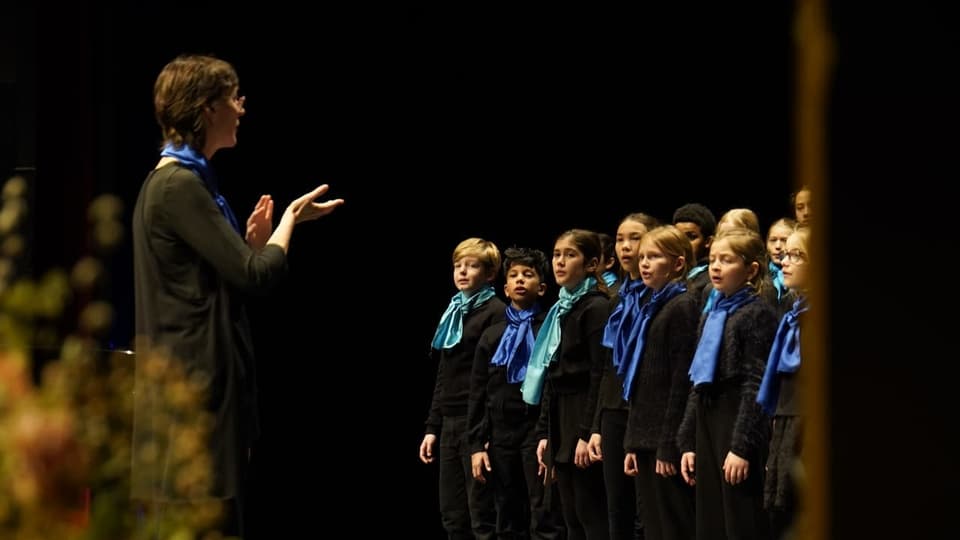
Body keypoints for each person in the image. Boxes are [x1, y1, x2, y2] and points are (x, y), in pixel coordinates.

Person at [131, 54, 344, 537]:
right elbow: (257, 277)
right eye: (233, 97)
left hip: (198, 381)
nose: (241, 108)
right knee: (205, 521)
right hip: (197, 386)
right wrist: (289, 222)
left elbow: (215, 281)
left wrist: (249, 247)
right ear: (207, 109)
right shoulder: (178, 186)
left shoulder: (181, 184)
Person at [678, 227, 777, 540]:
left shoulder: (757, 313)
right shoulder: (712, 315)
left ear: (751, 270)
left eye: (727, 260)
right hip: (709, 421)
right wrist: (688, 440)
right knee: (711, 520)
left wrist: (741, 446)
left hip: (736, 423)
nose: (716, 266)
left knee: (741, 519)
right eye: (713, 260)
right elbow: (700, 381)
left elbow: (756, 385)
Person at [467, 246, 564, 539]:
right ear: (506, 288)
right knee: (507, 512)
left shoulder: (551, 327)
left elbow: (554, 383)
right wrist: (475, 444)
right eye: (514, 275)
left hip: (536, 429)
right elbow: (478, 392)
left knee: (543, 511)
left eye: (528, 275)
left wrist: (548, 432)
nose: (521, 280)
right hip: (501, 433)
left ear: (543, 287)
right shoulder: (492, 334)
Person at [523, 229, 611, 540]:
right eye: (557, 254)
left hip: (582, 415)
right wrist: (545, 432)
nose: (559, 262)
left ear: (592, 264)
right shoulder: (562, 308)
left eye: (570, 255)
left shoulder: (596, 308)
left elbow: (601, 374)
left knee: (591, 514)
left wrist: (587, 433)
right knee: (570, 516)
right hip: (561, 418)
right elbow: (552, 372)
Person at [420, 237, 505, 539]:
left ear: (490, 273)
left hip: (478, 423)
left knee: (481, 514)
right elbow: (445, 372)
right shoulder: (454, 312)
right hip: (450, 422)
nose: (463, 272)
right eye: (458, 266)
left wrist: (481, 435)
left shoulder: (496, 312)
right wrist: (433, 425)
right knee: (452, 515)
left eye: (472, 266)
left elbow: (493, 378)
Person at [622, 225, 698, 540]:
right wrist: (632, 442)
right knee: (653, 528)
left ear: (678, 264)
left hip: (664, 443)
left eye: (654, 257)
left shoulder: (681, 306)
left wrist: (669, 444)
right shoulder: (652, 306)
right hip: (645, 438)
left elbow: (680, 382)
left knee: (672, 527)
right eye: (643, 257)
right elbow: (642, 383)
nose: (644, 264)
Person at [594, 212, 659, 539]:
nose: (625, 246)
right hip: (614, 410)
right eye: (620, 239)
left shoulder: (662, 296)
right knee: (616, 508)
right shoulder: (619, 296)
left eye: (634, 237)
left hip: (645, 411)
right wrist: (595, 426)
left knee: (646, 512)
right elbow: (607, 365)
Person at [757, 225, 811, 539]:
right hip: (787, 418)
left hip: (808, 424)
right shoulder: (794, 312)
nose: (783, 262)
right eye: (784, 254)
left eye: (796, 255)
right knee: (782, 510)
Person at [671, 203, 716, 311]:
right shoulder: (667, 273)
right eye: (678, 237)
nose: (682, 243)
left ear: (707, 241)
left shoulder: (711, 279)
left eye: (691, 237)